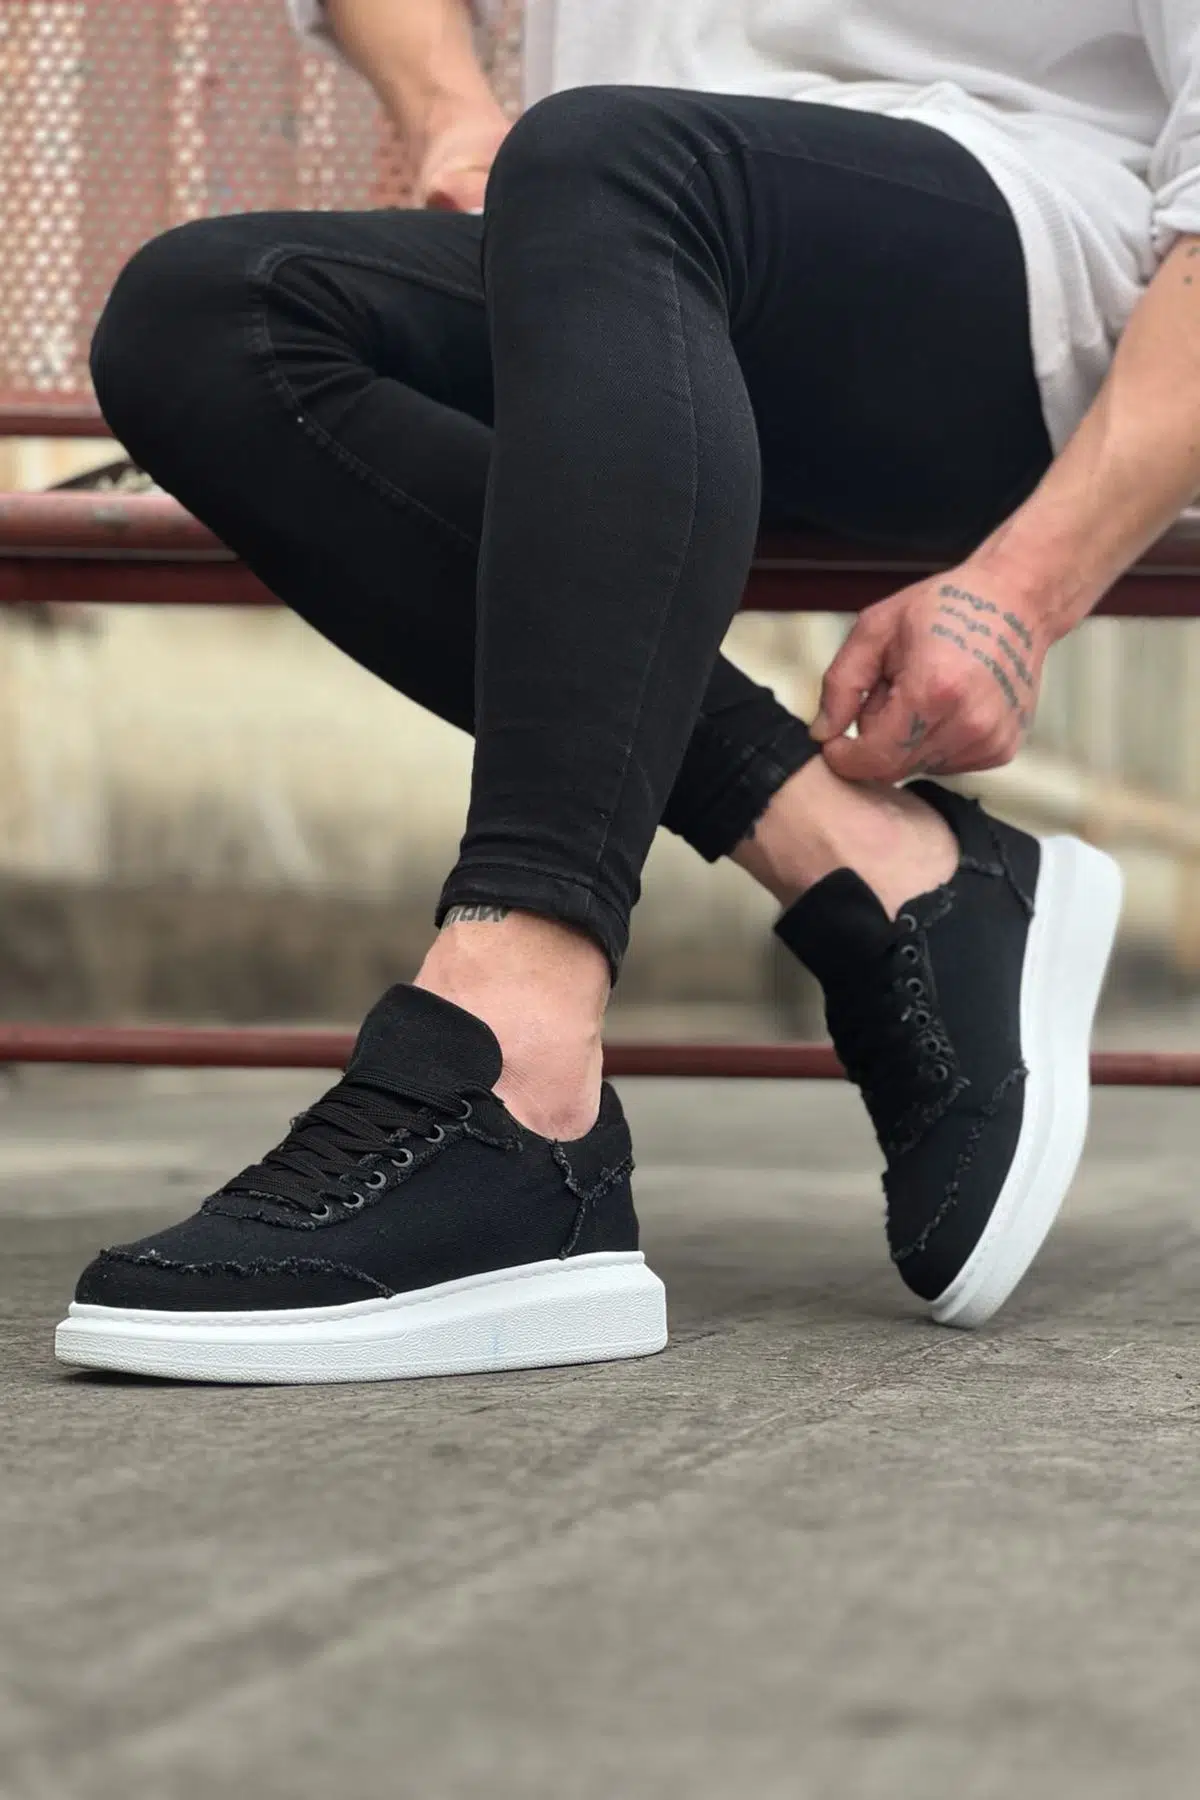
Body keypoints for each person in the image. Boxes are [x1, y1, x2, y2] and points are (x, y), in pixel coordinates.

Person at [56, 0, 1199, 1386]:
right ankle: (879, 869)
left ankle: (518, 1061)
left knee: (609, 159)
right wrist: (447, 109)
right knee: (204, 315)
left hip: (1018, 303)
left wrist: (1023, 588)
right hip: (600, 259)